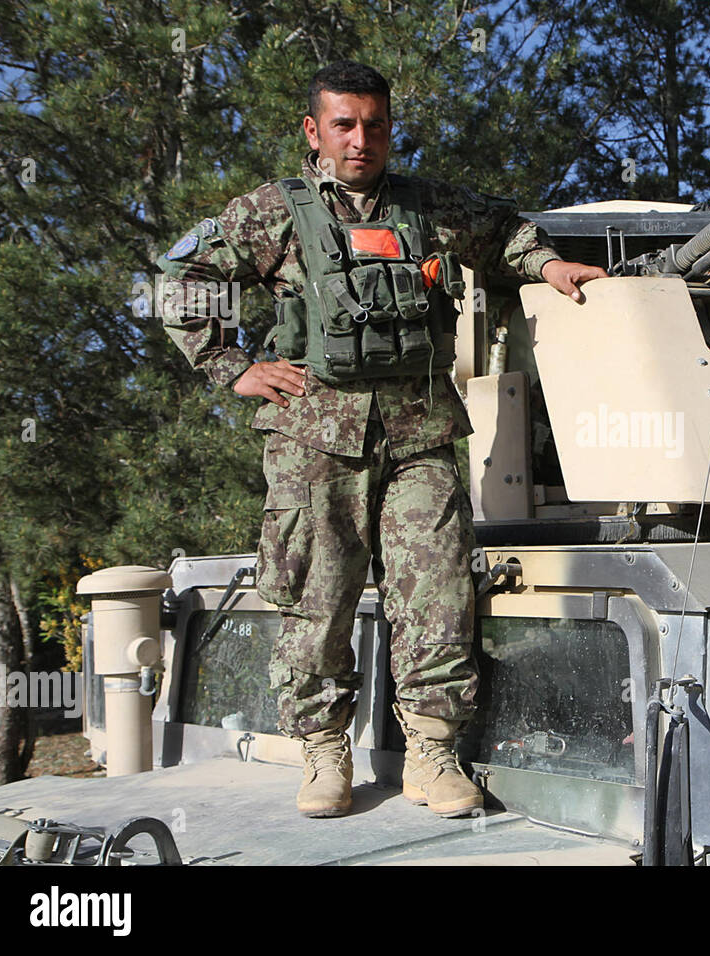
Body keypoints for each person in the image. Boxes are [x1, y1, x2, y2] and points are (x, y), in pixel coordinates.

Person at [157, 60, 606, 819]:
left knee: (436, 594)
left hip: (420, 437)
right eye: (344, 124)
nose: (360, 139)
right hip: (314, 441)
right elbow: (181, 276)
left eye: (374, 124)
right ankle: (323, 754)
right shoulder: (274, 213)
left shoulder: (426, 205)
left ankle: (431, 754)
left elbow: (505, 233)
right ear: (314, 130)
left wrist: (550, 264)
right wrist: (231, 365)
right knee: (317, 599)